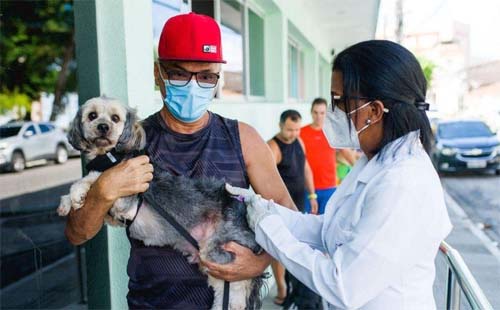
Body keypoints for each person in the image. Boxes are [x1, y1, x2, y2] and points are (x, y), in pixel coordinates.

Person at [64, 13, 296, 309]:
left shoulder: (244, 139)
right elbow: (77, 233)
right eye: (178, 73)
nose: (193, 85)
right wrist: (103, 190)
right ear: (157, 73)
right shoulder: (129, 141)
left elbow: (287, 214)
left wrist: (259, 262)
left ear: (217, 78)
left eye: (206, 76)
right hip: (151, 303)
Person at [226, 40, 453, 309]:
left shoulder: (402, 183)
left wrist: (268, 228)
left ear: (374, 111)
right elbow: (328, 230)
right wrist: (262, 208)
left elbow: (343, 284)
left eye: (339, 101)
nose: (331, 114)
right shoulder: (376, 160)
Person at [267, 110, 320, 307]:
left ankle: (294, 286)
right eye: (290, 129)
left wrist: (312, 194)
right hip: (281, 209)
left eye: (297, 129)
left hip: (299, 203)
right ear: (281, 125)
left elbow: (305, 168)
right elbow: (265, 180)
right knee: (278, 249)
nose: (294, 134)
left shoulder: (299, 141)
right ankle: (281, 287)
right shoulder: (272, 147)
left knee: (297, 246)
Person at [300, 98, 356, 214]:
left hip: (329, 187)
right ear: (311, 112)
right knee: (308, 223)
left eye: (322, 113)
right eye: (315, 112)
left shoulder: (332, 132)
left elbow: (347, 154)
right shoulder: (301, 132)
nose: (318, 116)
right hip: (307, 188)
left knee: (326, 223)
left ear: (326, 113)